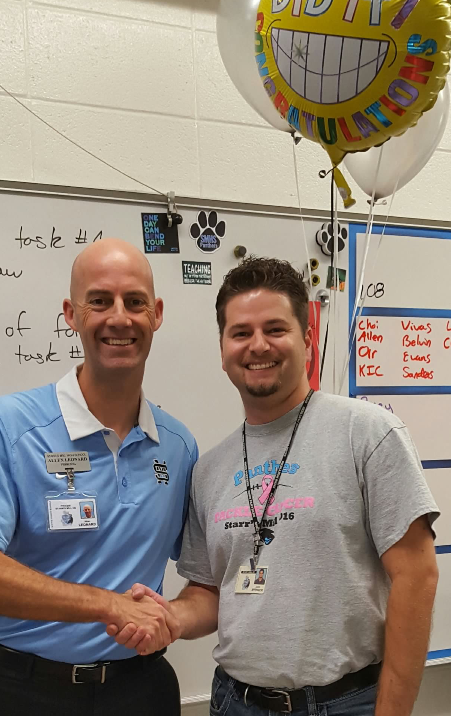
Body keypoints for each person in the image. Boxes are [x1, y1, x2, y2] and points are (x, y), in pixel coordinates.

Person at [116, 257, 440, 716]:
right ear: (223, 348)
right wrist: (172, 617)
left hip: (343, 701)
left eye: (275, 328)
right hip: (234, 701)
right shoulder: (209, 469)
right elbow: (208, 592)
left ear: (307, 338)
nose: (258, 346)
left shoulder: (367, 433)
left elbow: (416, 577)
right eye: (241, 332)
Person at [0, 239, 197, 716]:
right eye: (99, 300)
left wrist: (172, 617)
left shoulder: (179, 447)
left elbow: (205, 576)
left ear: (156, 314)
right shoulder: (5, 426)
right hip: (22, 692)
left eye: (135, 301)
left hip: (141, 691)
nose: (119, 317)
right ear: (71, 314)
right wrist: (106, 605)